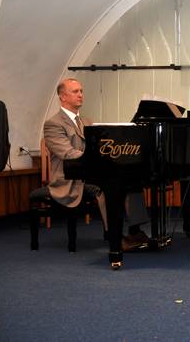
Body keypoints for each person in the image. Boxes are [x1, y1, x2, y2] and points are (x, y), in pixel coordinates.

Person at [44, 78, 150, 251]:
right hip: (69, 179)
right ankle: (114, 238)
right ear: (63, 96)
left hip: (89, 173)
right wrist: (97, 160)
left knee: (131, 181)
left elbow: (100, 149)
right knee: (106, 187)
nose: (80, 94)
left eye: (81, 91)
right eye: (75, 91)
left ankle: (135, 232)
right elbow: (68, 153)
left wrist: (111, 158)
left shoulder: (87, 122)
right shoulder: (53, 124)